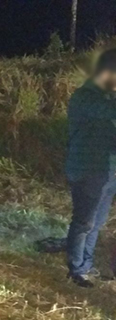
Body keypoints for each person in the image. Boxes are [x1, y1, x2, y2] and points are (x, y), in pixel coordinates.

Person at [65, 49, 116, 288]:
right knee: (84, 221)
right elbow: (108, 113)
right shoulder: (85, 97)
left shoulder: (106, 99)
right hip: (86, 169)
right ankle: (76, 269)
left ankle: (86, 264)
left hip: (107, 171)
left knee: (97, 222)